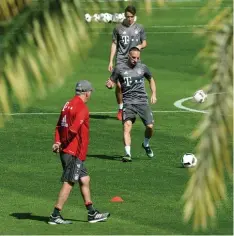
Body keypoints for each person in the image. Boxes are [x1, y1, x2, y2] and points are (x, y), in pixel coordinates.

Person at [48, 80, 110, 224]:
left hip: (67, 150)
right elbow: (73, 130)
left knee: (84, 179)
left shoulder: (67, 104)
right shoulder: (82, 108)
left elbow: (59, 126)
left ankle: (91, 213)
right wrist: (62, 143)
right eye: (90, 92)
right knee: (70, 181)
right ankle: (55, 215)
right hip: (73, 152)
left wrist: (57, 142)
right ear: (87, 93)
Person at [106, 47, 157, 162]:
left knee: (150, 127)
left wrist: (153, 93)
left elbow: (151, 79)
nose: (136, 60)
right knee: (127, 126)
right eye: (133, 57)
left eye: (138, 58)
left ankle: (146, 144)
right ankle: (127, 154)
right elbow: (111, 82)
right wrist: (109, 85)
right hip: (128, 102)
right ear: (128, 55)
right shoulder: (119, 68)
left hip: (142, 101)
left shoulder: (142, 67)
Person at [108, 5, 147, 121]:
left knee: (133, 84)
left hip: (134, 59)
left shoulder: (140, 28)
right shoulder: (118, 28)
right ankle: (121, 108)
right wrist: (110, 60)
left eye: (131, 17)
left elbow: (145, 42)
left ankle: (133, 107)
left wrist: (139, 46)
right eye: (127, 16)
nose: (129, 19)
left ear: (135, 16)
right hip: (121, 59)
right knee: (119, 85)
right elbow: (114, 44)